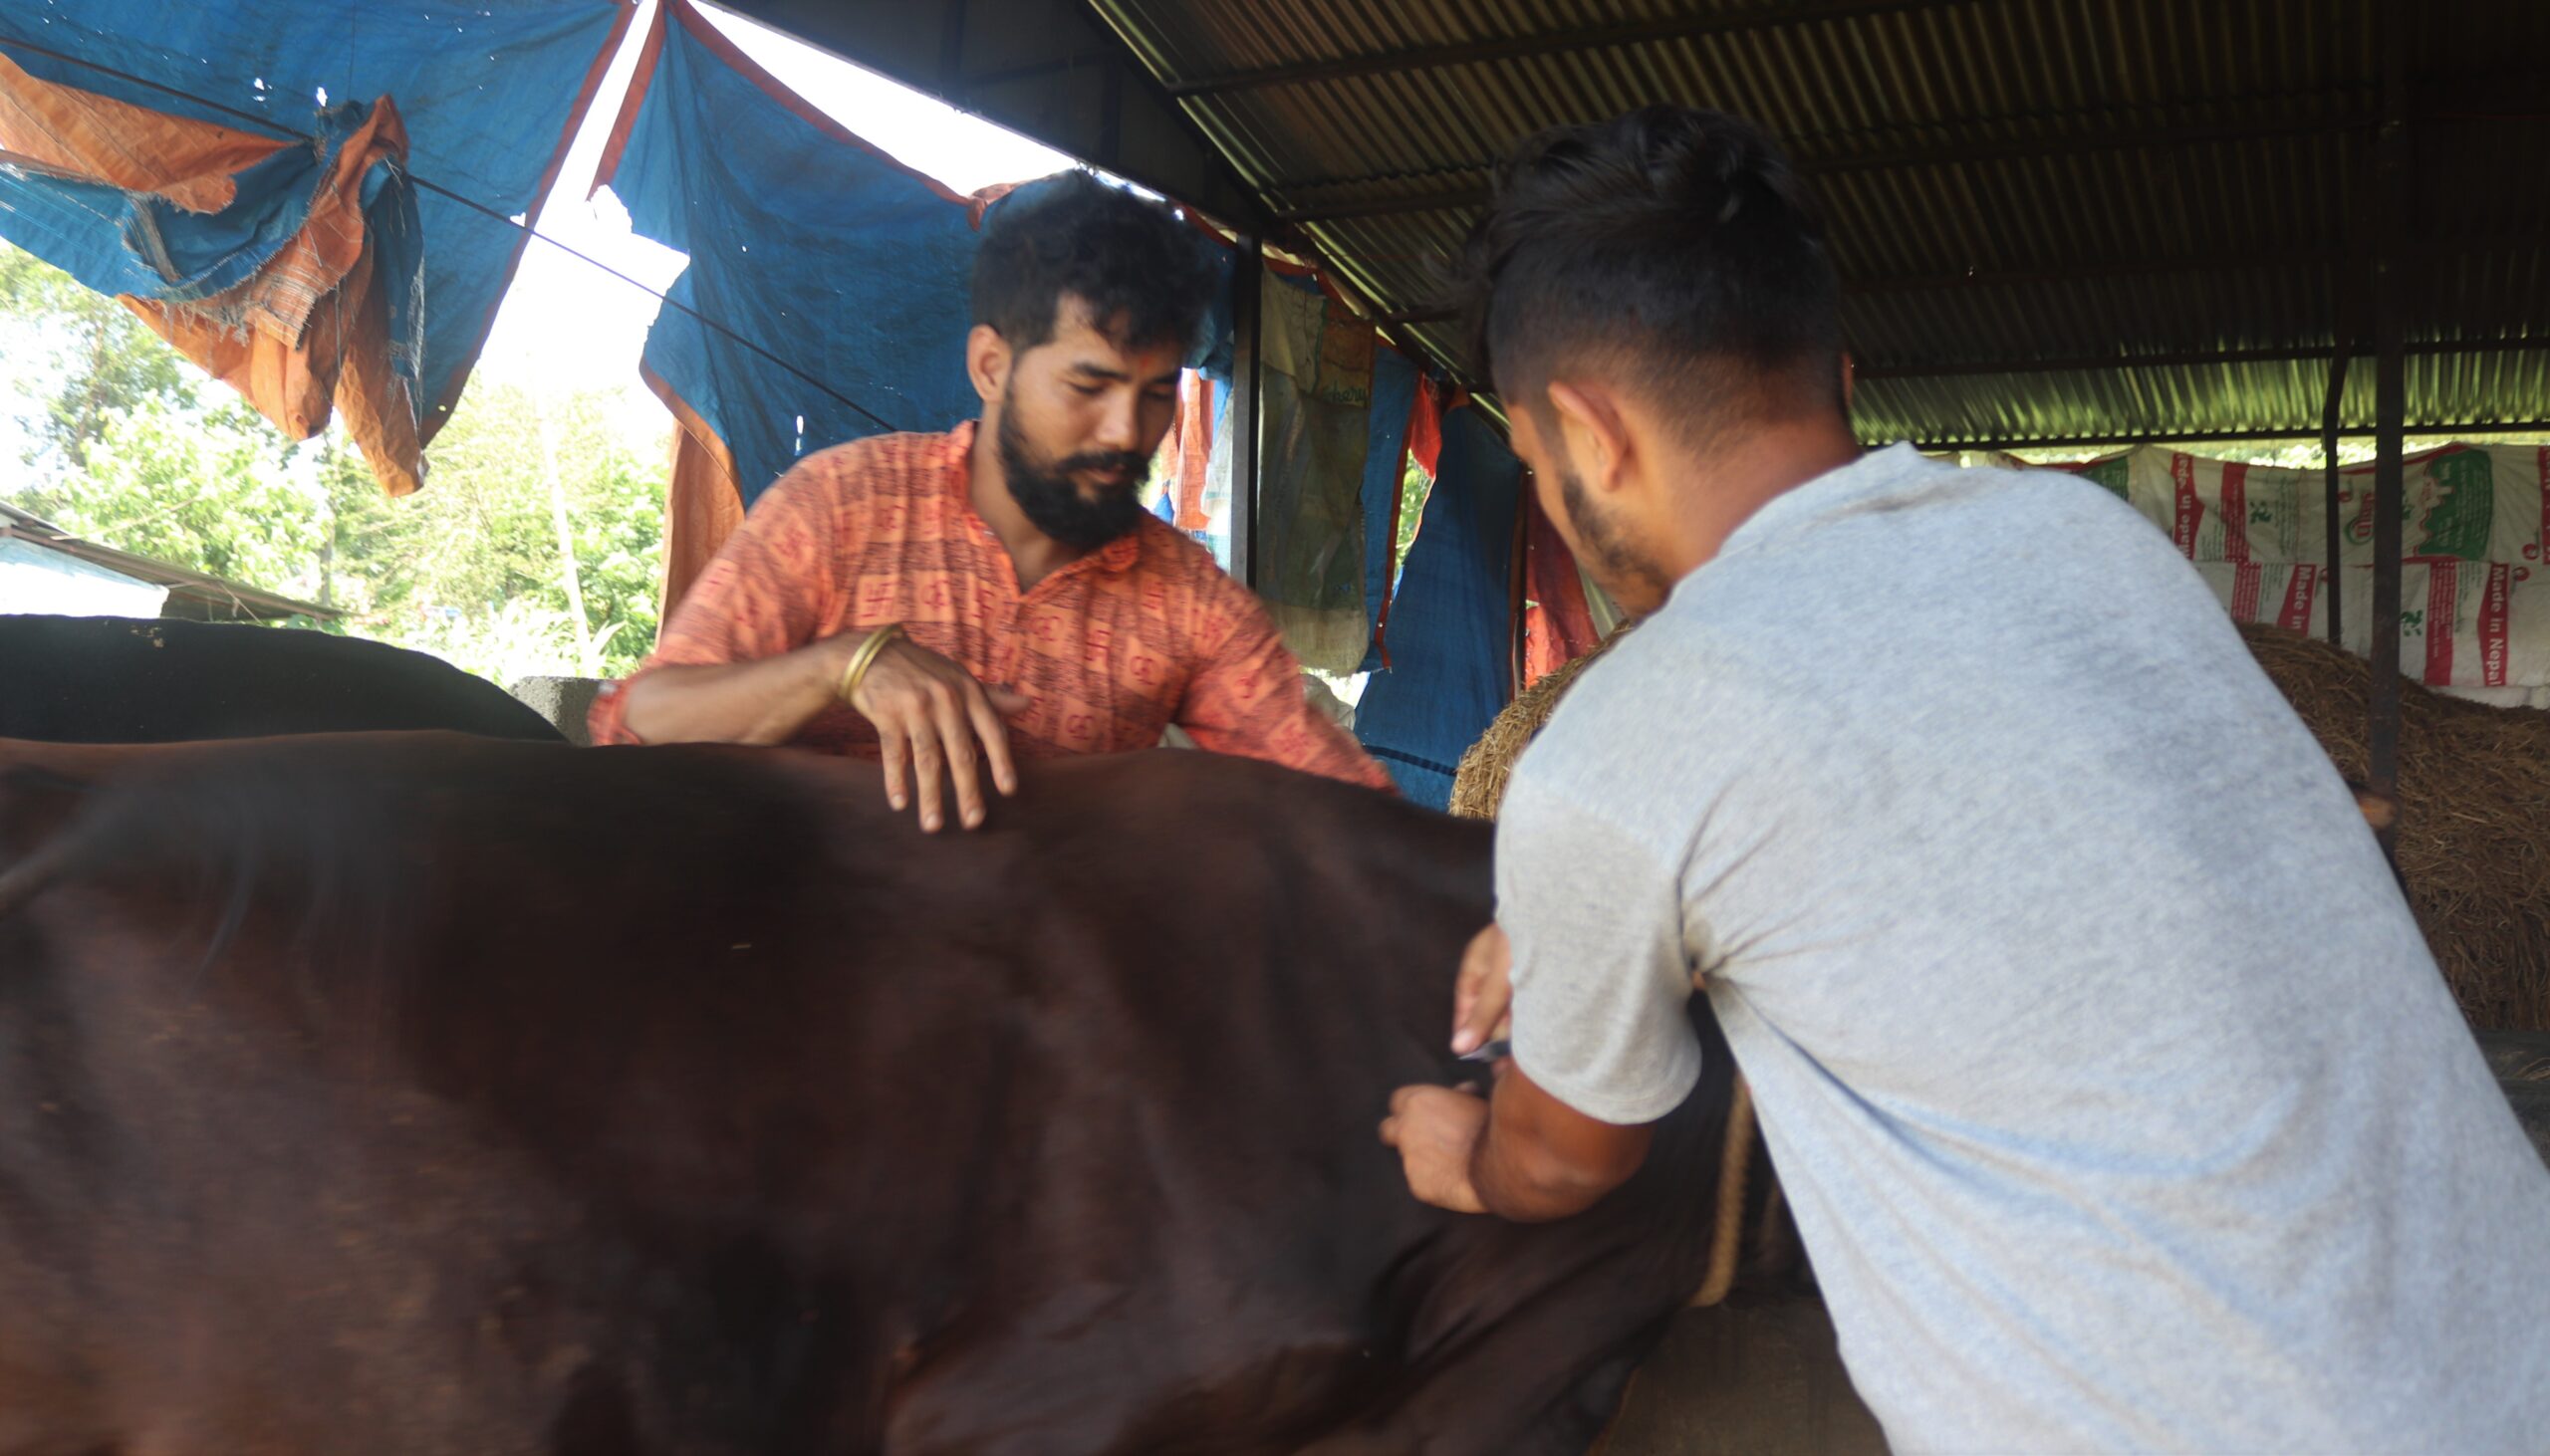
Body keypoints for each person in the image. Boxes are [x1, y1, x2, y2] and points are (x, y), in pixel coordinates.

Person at [1377, 105, 2550, 1452]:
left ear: (1586, 435)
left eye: (1529, 462)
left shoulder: (1628, 734)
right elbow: (2027, 849)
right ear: (1837, 371)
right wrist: (1596, 922)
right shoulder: (2084, 545)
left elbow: (1565, 1156)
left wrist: (1462, 1152)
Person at [590, 171, 1390, 829]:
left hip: (1035, 1000)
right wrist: (841, 667)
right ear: (990, 367)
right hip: (798, 981)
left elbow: (1344, 803)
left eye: (1155, 394)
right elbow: (640, 721)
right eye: (1090, 384)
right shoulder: (839, 507)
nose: (1128, 431)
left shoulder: (1189, 604)